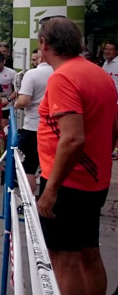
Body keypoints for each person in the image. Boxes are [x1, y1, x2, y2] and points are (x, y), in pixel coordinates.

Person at [35, 17, 117, 295]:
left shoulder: (63, 77)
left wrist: (51, 190)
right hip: (95, 181)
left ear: (44, 44)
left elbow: (72, 138)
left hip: (68, 184)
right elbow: (113, 126)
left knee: (63, 259)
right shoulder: (99, 73)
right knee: (88, 253)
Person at [14, 49, 52, 193]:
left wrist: (17, 103)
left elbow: (24, 100)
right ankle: (46, 202)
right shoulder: (60, 72)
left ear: (40, 58)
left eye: (34, 59)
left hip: (33, 126)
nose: (33, 61)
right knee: (49, 168)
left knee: (28, 167)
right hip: (56, 128)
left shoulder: (32, 74)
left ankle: (28, 204)